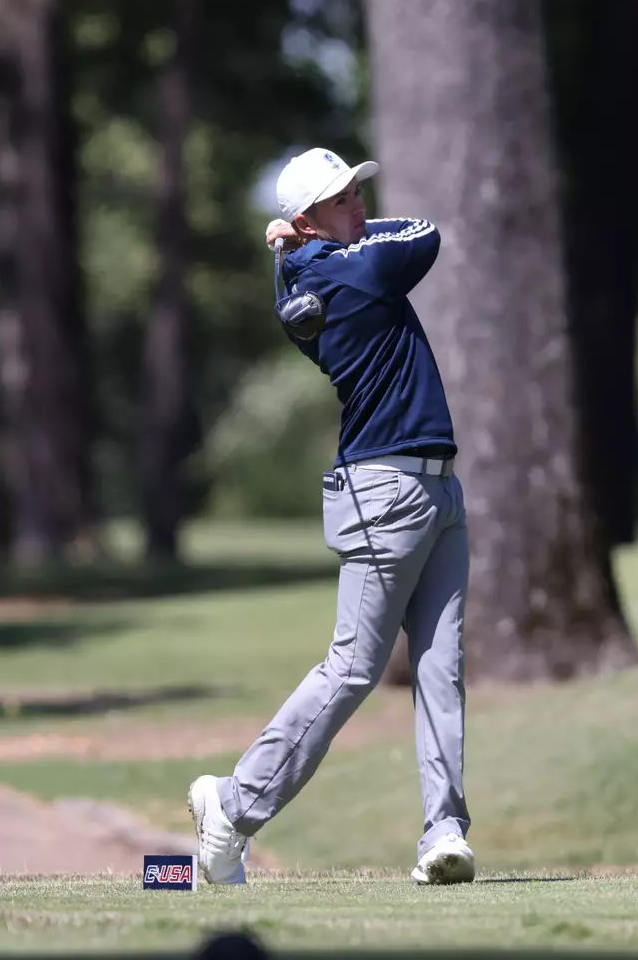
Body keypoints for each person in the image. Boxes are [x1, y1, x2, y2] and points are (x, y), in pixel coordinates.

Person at [187, 147, 475, 886]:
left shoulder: (308, 272)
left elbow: (326, 255)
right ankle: (234, 804)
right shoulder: (356, 270)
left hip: (434, 490)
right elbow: (427, 231)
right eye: (343, 199)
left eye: (357, 192)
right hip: (385, 490)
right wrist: (306, 242)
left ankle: (443, 833)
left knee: (441, 670)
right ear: (309, 220)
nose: (361, 207)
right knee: (353, 668)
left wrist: (290, 245)